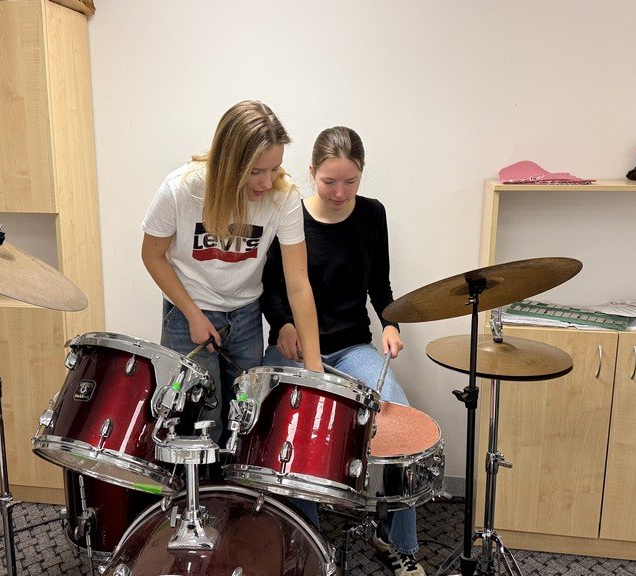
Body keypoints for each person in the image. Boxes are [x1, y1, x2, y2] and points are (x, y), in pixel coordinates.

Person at [260, 126, 425, 575]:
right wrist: (284, 324)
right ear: (311, 172)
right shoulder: (288, 214)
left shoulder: (372, 215)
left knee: (398, 417)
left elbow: (380, 284)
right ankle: (308, 543)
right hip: (294, 349)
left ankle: (400, 545)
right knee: (287, 429)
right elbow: (271, 287)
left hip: (351, 344)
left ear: (362, 175)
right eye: (329, 181)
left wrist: (390, 323)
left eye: (350, 181)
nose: (339, 191)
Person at [141, 100, 323, 443]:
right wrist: (193, 314)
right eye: (256, 171)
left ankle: (233, 498)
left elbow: (298, 285)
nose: (267, 182)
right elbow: (152, 256)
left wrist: (313, 367)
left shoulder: (283, 199)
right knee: (200, 427)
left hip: (245, 316)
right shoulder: (182, 189)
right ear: (229, 163)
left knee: (243, 425)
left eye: (275, 168)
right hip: (187, 313)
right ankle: (199, 497)